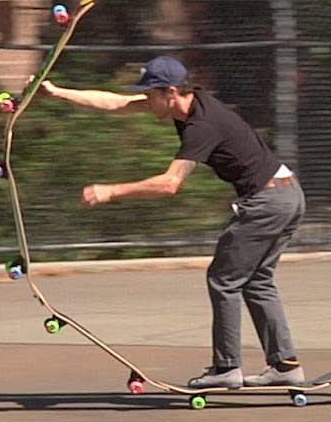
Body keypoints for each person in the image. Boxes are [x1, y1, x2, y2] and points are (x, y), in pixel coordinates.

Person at [40, 55, 306, 388]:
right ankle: (285, 366)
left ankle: (226, 367)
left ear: (170, 92)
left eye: (150, 95)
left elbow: (170, 184)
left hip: (268, 202)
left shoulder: (202, 125)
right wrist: (57, 92)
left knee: (223, 279)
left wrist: (110, 191)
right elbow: (116, 103)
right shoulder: (190, 104)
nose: (146, 101)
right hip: (287, 194)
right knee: (257, 281)